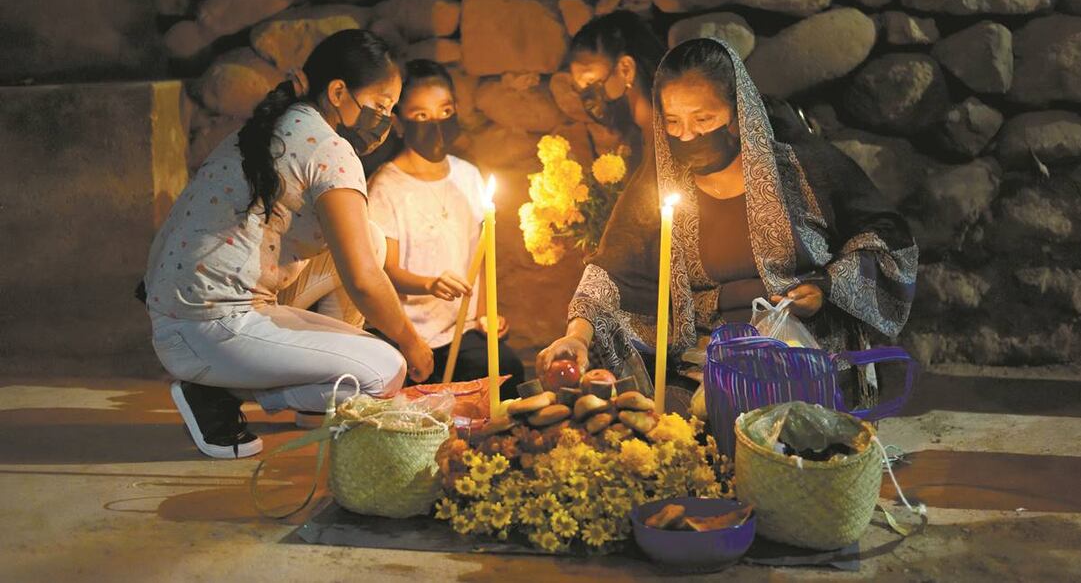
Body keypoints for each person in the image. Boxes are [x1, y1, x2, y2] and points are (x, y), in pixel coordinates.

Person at [537, 38, 918, 408]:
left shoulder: (804, 169)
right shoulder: (660, 184)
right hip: (702, 362)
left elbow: (885, 239)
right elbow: (613, 269)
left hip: (803, 355)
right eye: (672, 121)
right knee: (656, 418)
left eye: (703, 119)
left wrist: (826, 288)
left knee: (776, 422)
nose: (687, 134)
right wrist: (577, 336)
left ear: (738, 112)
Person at [144, 30, 434, 459]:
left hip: (182, 314)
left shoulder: (282, 123)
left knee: (369, 237)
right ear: (338, 92)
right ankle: (219, 393)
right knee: (386, 371)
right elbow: (363, 278)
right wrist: (412, 343)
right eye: (381, 105)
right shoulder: (330, 151)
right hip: (208, 327)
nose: (385, 121)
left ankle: (309, 396)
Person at [365, 60, 525, 399]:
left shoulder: (468, 176)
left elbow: (480, 253)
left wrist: (485, 315)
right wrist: (430, 284)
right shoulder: (385, 187)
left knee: (506, 372)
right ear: (399, 123)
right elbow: (385, 270)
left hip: (461, 330)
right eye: (421, 115)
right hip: (407, 334)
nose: (436, 123)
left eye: (445, 111)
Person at [567, 10, 666, 176]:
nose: (588, 98)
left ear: (625, 69)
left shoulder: (678, 131)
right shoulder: (633, 143)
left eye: (590, 82)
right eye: (581, 88)